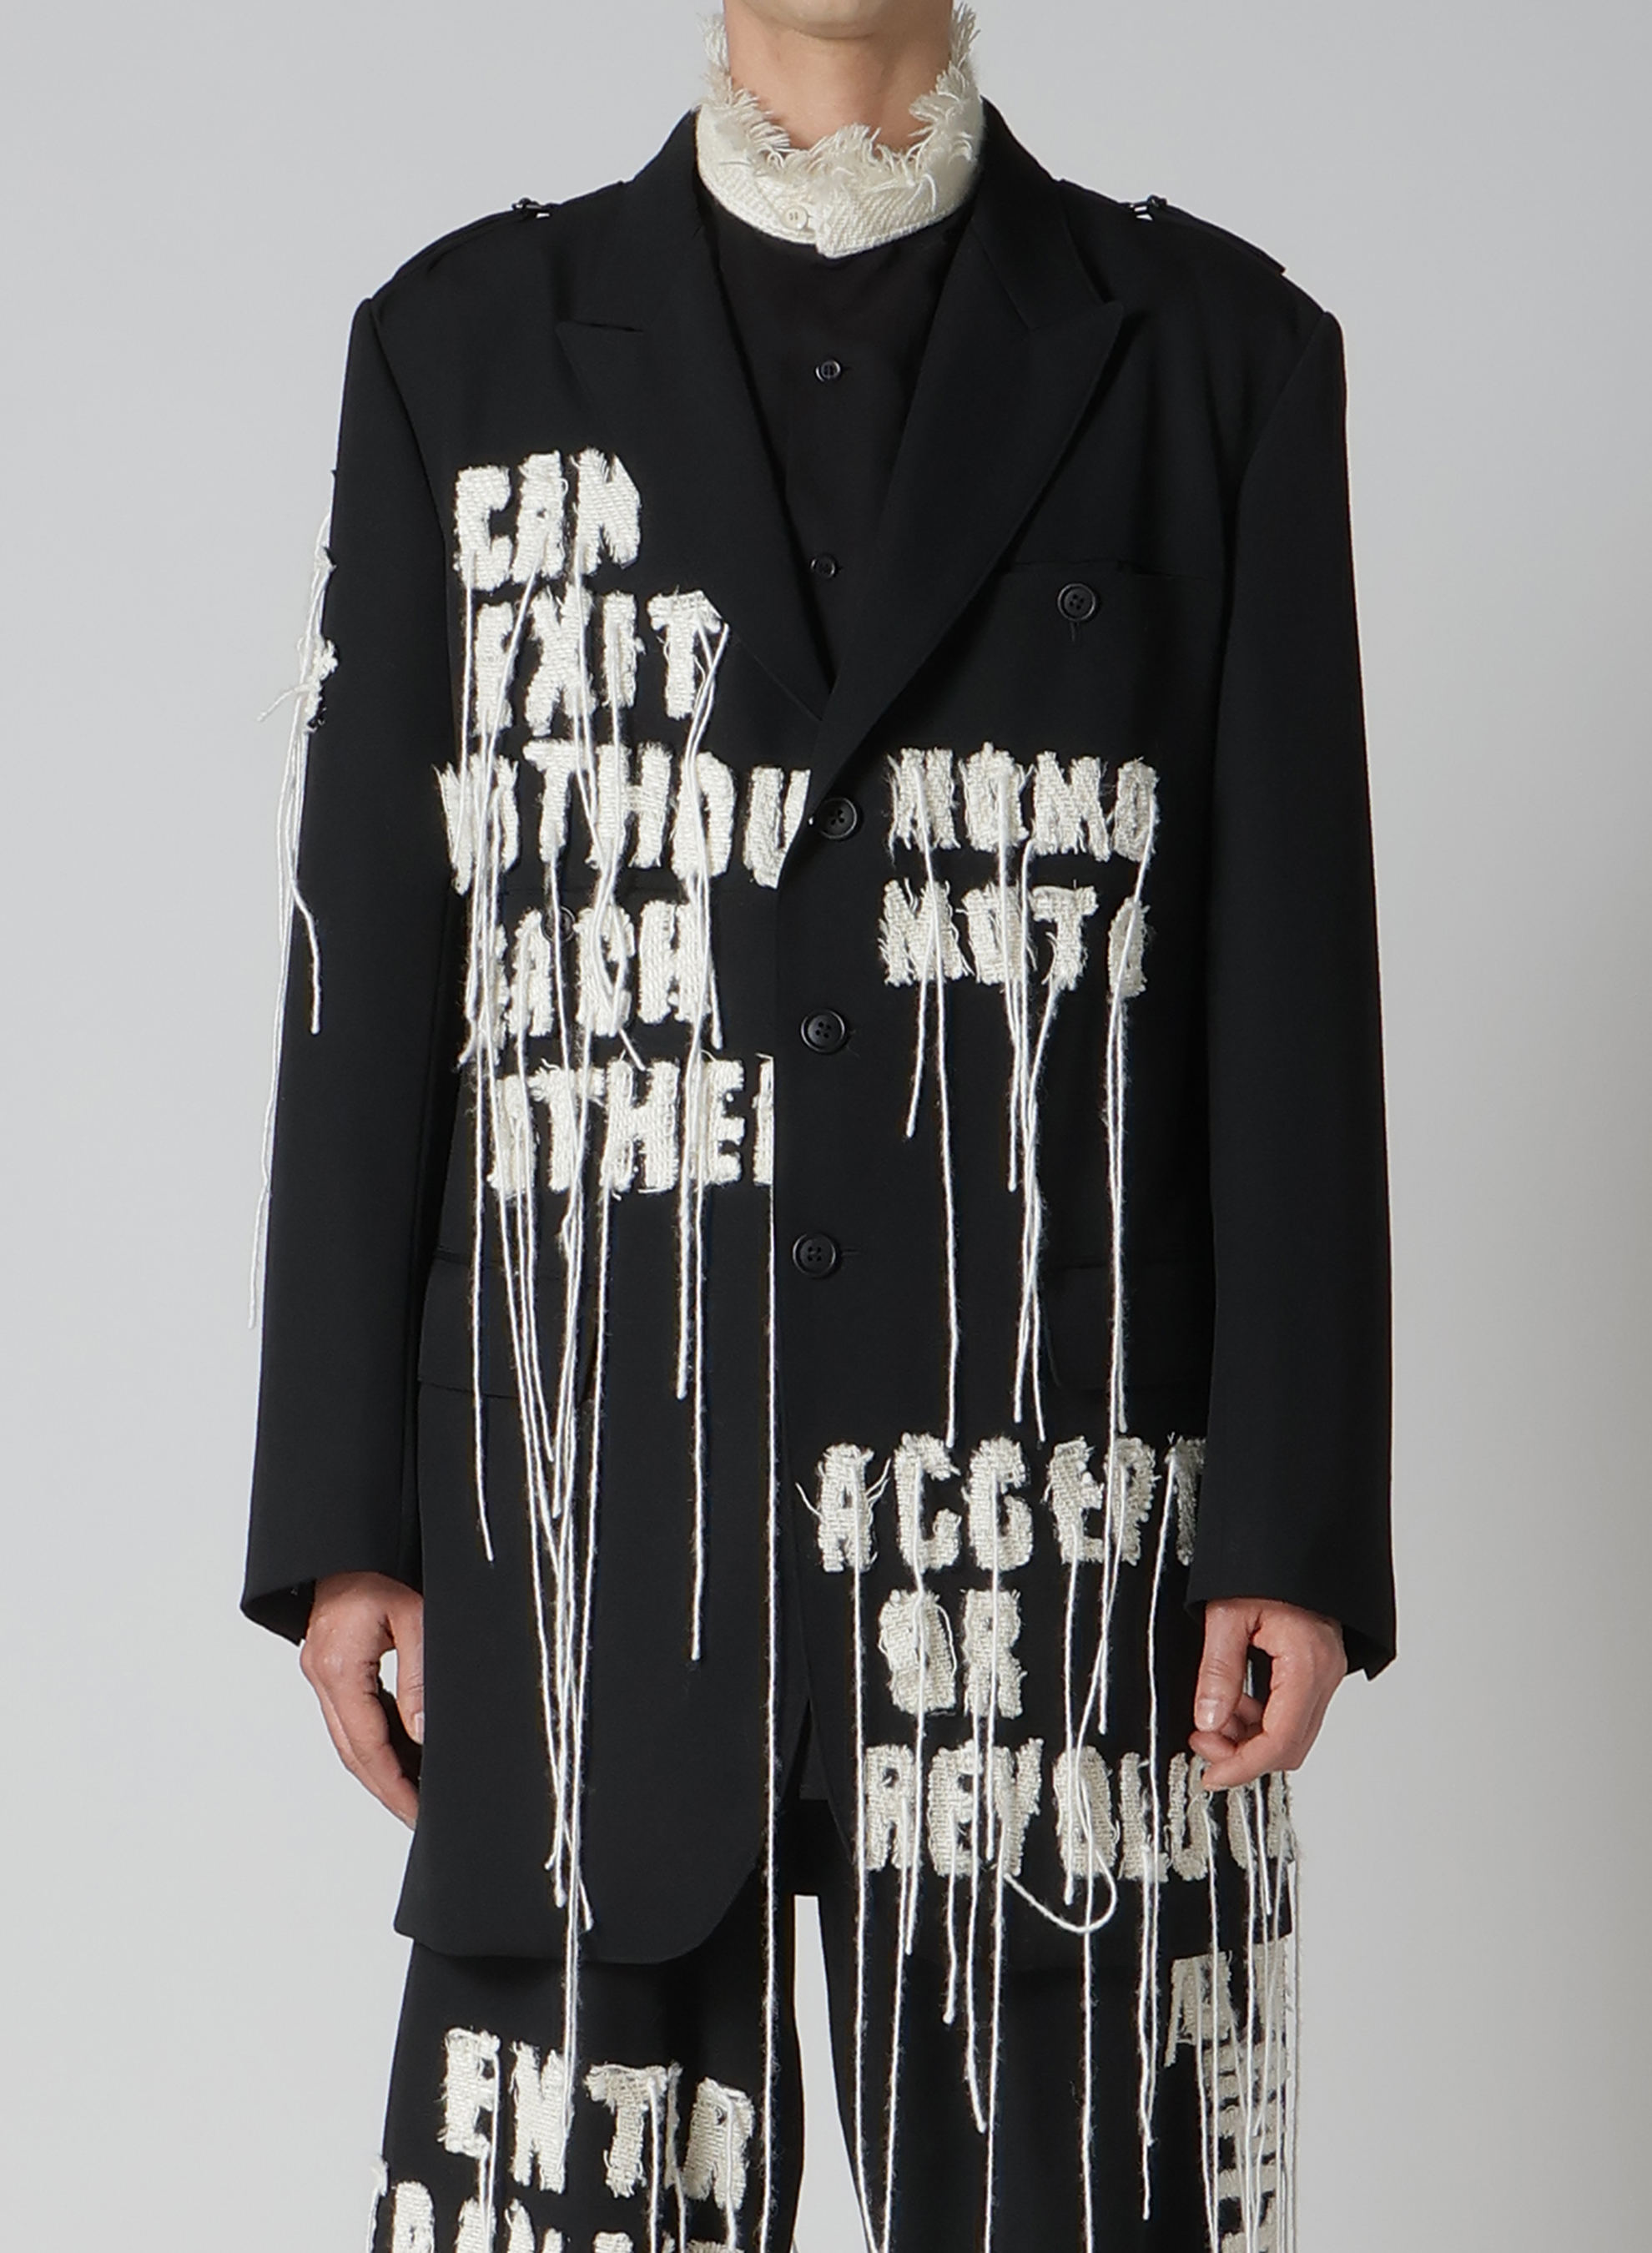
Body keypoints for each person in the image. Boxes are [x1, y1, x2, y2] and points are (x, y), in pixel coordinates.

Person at [246, 3, 1393, 2246]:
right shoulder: (459, 352)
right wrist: (341, 1514)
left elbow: (1288, 980)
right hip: (596, 1509)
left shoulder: (1214, 357)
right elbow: (368, 967)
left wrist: (1296, 1520)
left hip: (1055, 1542)